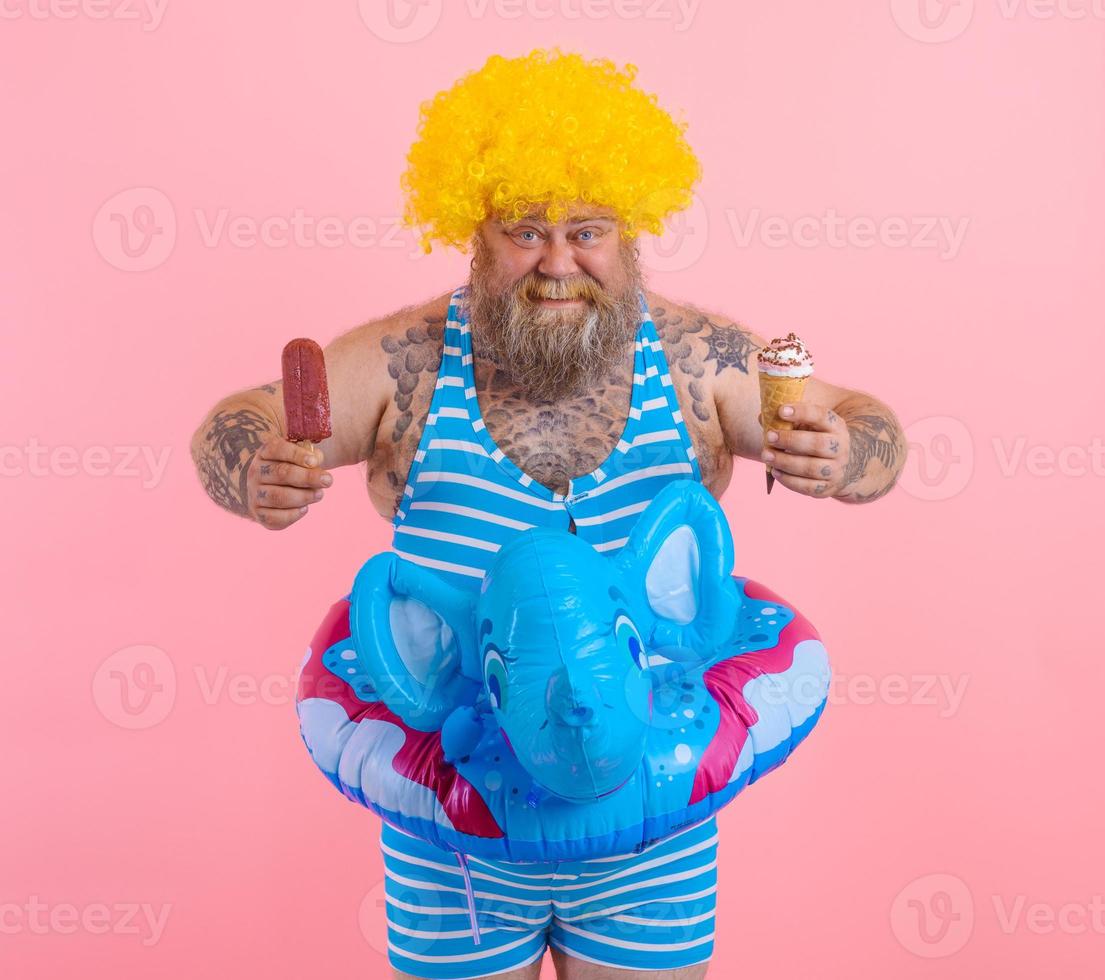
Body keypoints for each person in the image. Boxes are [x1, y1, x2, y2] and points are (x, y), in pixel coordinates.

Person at [192, 47, 905, 980]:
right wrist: (251, 470)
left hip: (652, 819)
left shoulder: (696, 362)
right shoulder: (405, 363)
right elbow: (234, 423)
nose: (559, 263)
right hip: (456, 836)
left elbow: (871, 428)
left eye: (588, 229)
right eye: (525, 231)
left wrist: (845, 453)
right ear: (473, 233)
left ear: (634, 227)